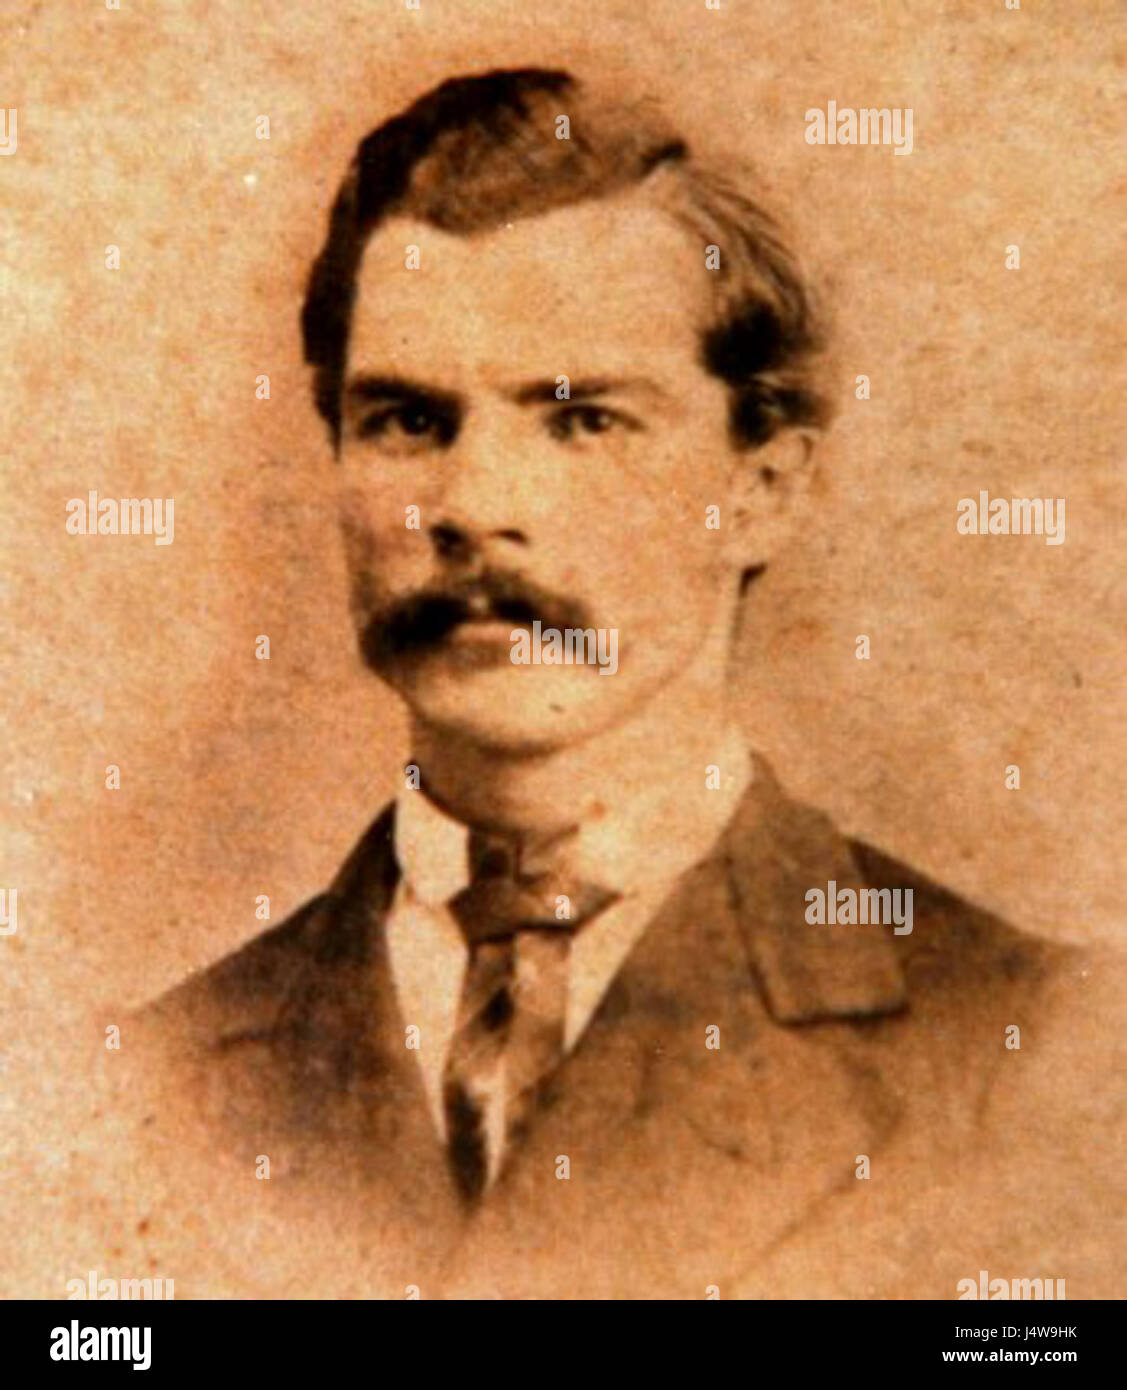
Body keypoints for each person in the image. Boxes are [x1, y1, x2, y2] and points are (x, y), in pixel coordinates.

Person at [123, 67, 1123, 1299]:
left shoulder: (1032, 1050)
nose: (473, 506)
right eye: (407, 421)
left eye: (580, 420)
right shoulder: (136, 1082)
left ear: (762, 490)